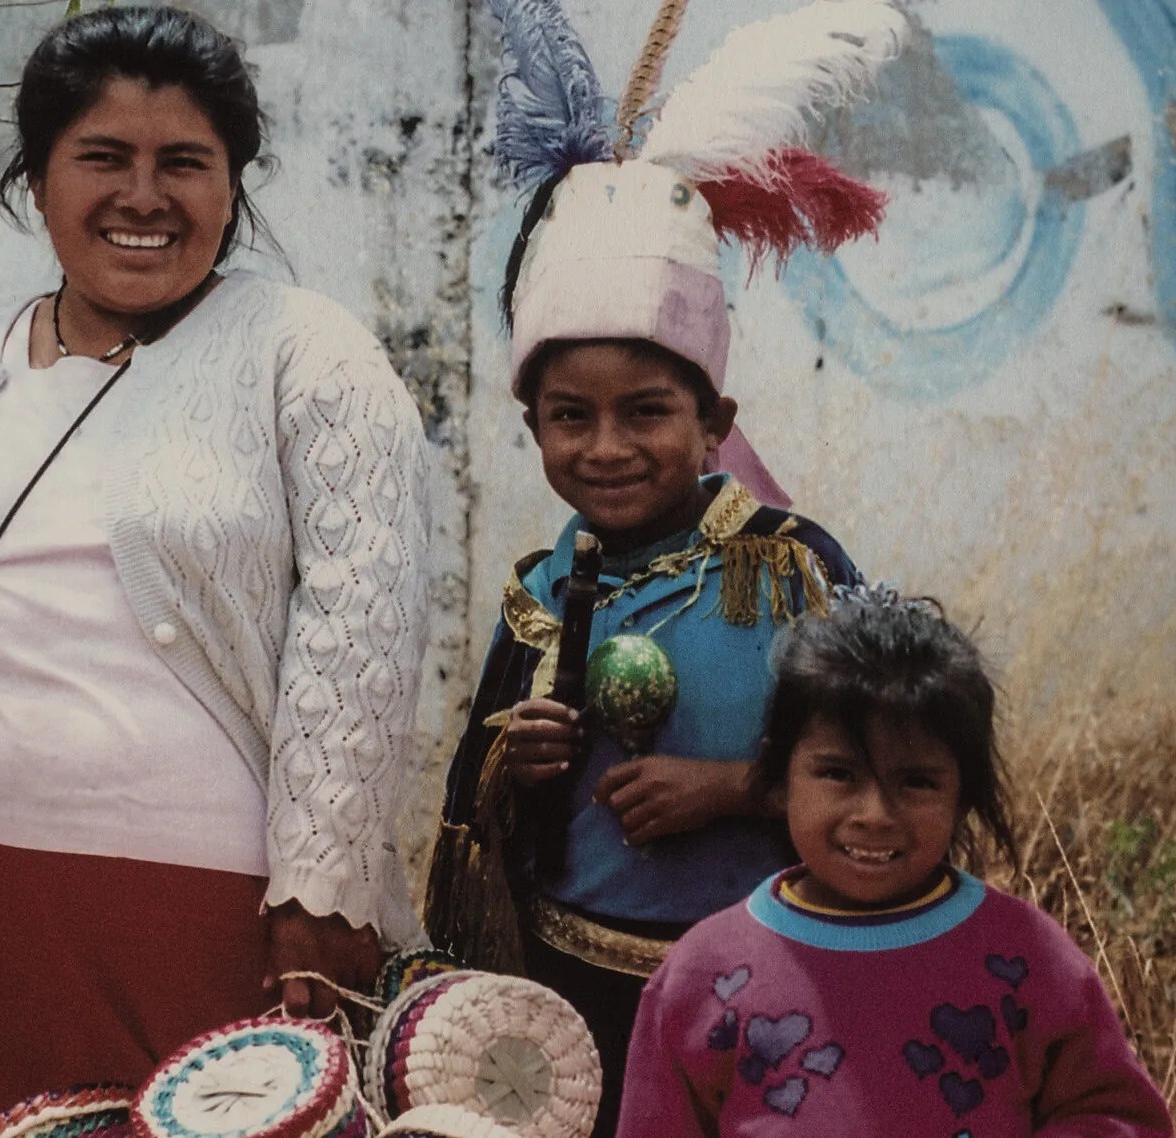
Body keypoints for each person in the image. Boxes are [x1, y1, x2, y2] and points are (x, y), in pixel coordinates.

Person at [0, 7, 429, 1133]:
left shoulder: (308, 358)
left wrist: (322, 882)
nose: (143, 196)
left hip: (224, 912)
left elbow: (360, 623)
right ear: (36, 180)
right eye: (101, 158)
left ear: (233, 182)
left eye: (184, 162)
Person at [427, 1, 913, 1131]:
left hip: (771, 991)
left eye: (645, 411)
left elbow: (904, 746)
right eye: (567, 416)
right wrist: (517, 764)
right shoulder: (541, 593)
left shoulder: (793, 572)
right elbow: (478, 817)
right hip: (572, 993)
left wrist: (739, 786)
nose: (605, 447)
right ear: (532, 423)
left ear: (713, 419)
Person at [616, 589, 1174, 1136]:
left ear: (963, 797)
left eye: (916, 782)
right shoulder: (702, 975)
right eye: (839, 773)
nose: (876, 814)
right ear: (779, 777)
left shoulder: (1025, 957)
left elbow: (1119, 1117)